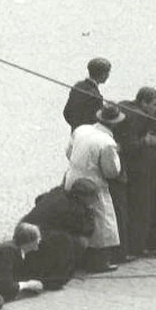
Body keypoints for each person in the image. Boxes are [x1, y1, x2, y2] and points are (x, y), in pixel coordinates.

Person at [64, 103, 126, 273]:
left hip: (72, 177)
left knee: (77, 218)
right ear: (114, 123)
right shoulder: (107, 142)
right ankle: (99, 261)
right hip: (93, 183)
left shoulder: (82, 129)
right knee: (102, 221)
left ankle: (78, 257)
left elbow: (68, 152)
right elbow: (111, 171)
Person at [20, 179, 99, 289]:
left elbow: (39, 199)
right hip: (38, 238)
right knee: (74, 241)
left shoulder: (58, 192)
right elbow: (86, 230)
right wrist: (90, 212)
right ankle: (55, 279)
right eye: (93, 197)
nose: (95, 200)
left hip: (24, 229)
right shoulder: (74, 209)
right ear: (82, 197)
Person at [115, 87, 156, 258]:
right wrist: (146, 141)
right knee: (142, 209)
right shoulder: (139, 116)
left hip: (127, 169)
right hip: (138, 171)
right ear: (143, 103)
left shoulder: (125, 105)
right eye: (155, 104)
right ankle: (137, 247)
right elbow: (130, 145)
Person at [63, 58, 111, 132]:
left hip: (75, 133)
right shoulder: (95, 97)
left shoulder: (78, 86)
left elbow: (67, 112)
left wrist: (75, 126)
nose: (108, 75)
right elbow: (95, 121)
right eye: (107, 73)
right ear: (103, 75)